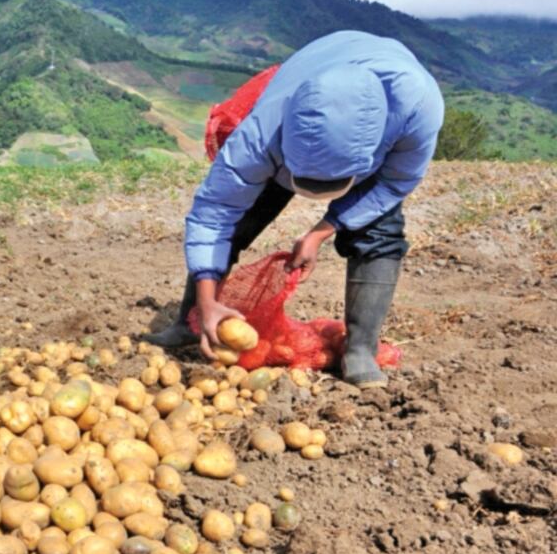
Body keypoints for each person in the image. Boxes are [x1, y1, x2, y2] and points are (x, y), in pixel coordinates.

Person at [145, 30, 444, 388]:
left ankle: (360, 349)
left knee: (379, 232)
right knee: (239, 219)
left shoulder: (416, 111)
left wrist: (323, 229)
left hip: (373, 120)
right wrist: (207, 301)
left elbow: (393, 184)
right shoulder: (263, 130)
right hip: (310, 79)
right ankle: (190, 323)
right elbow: (215, 211)